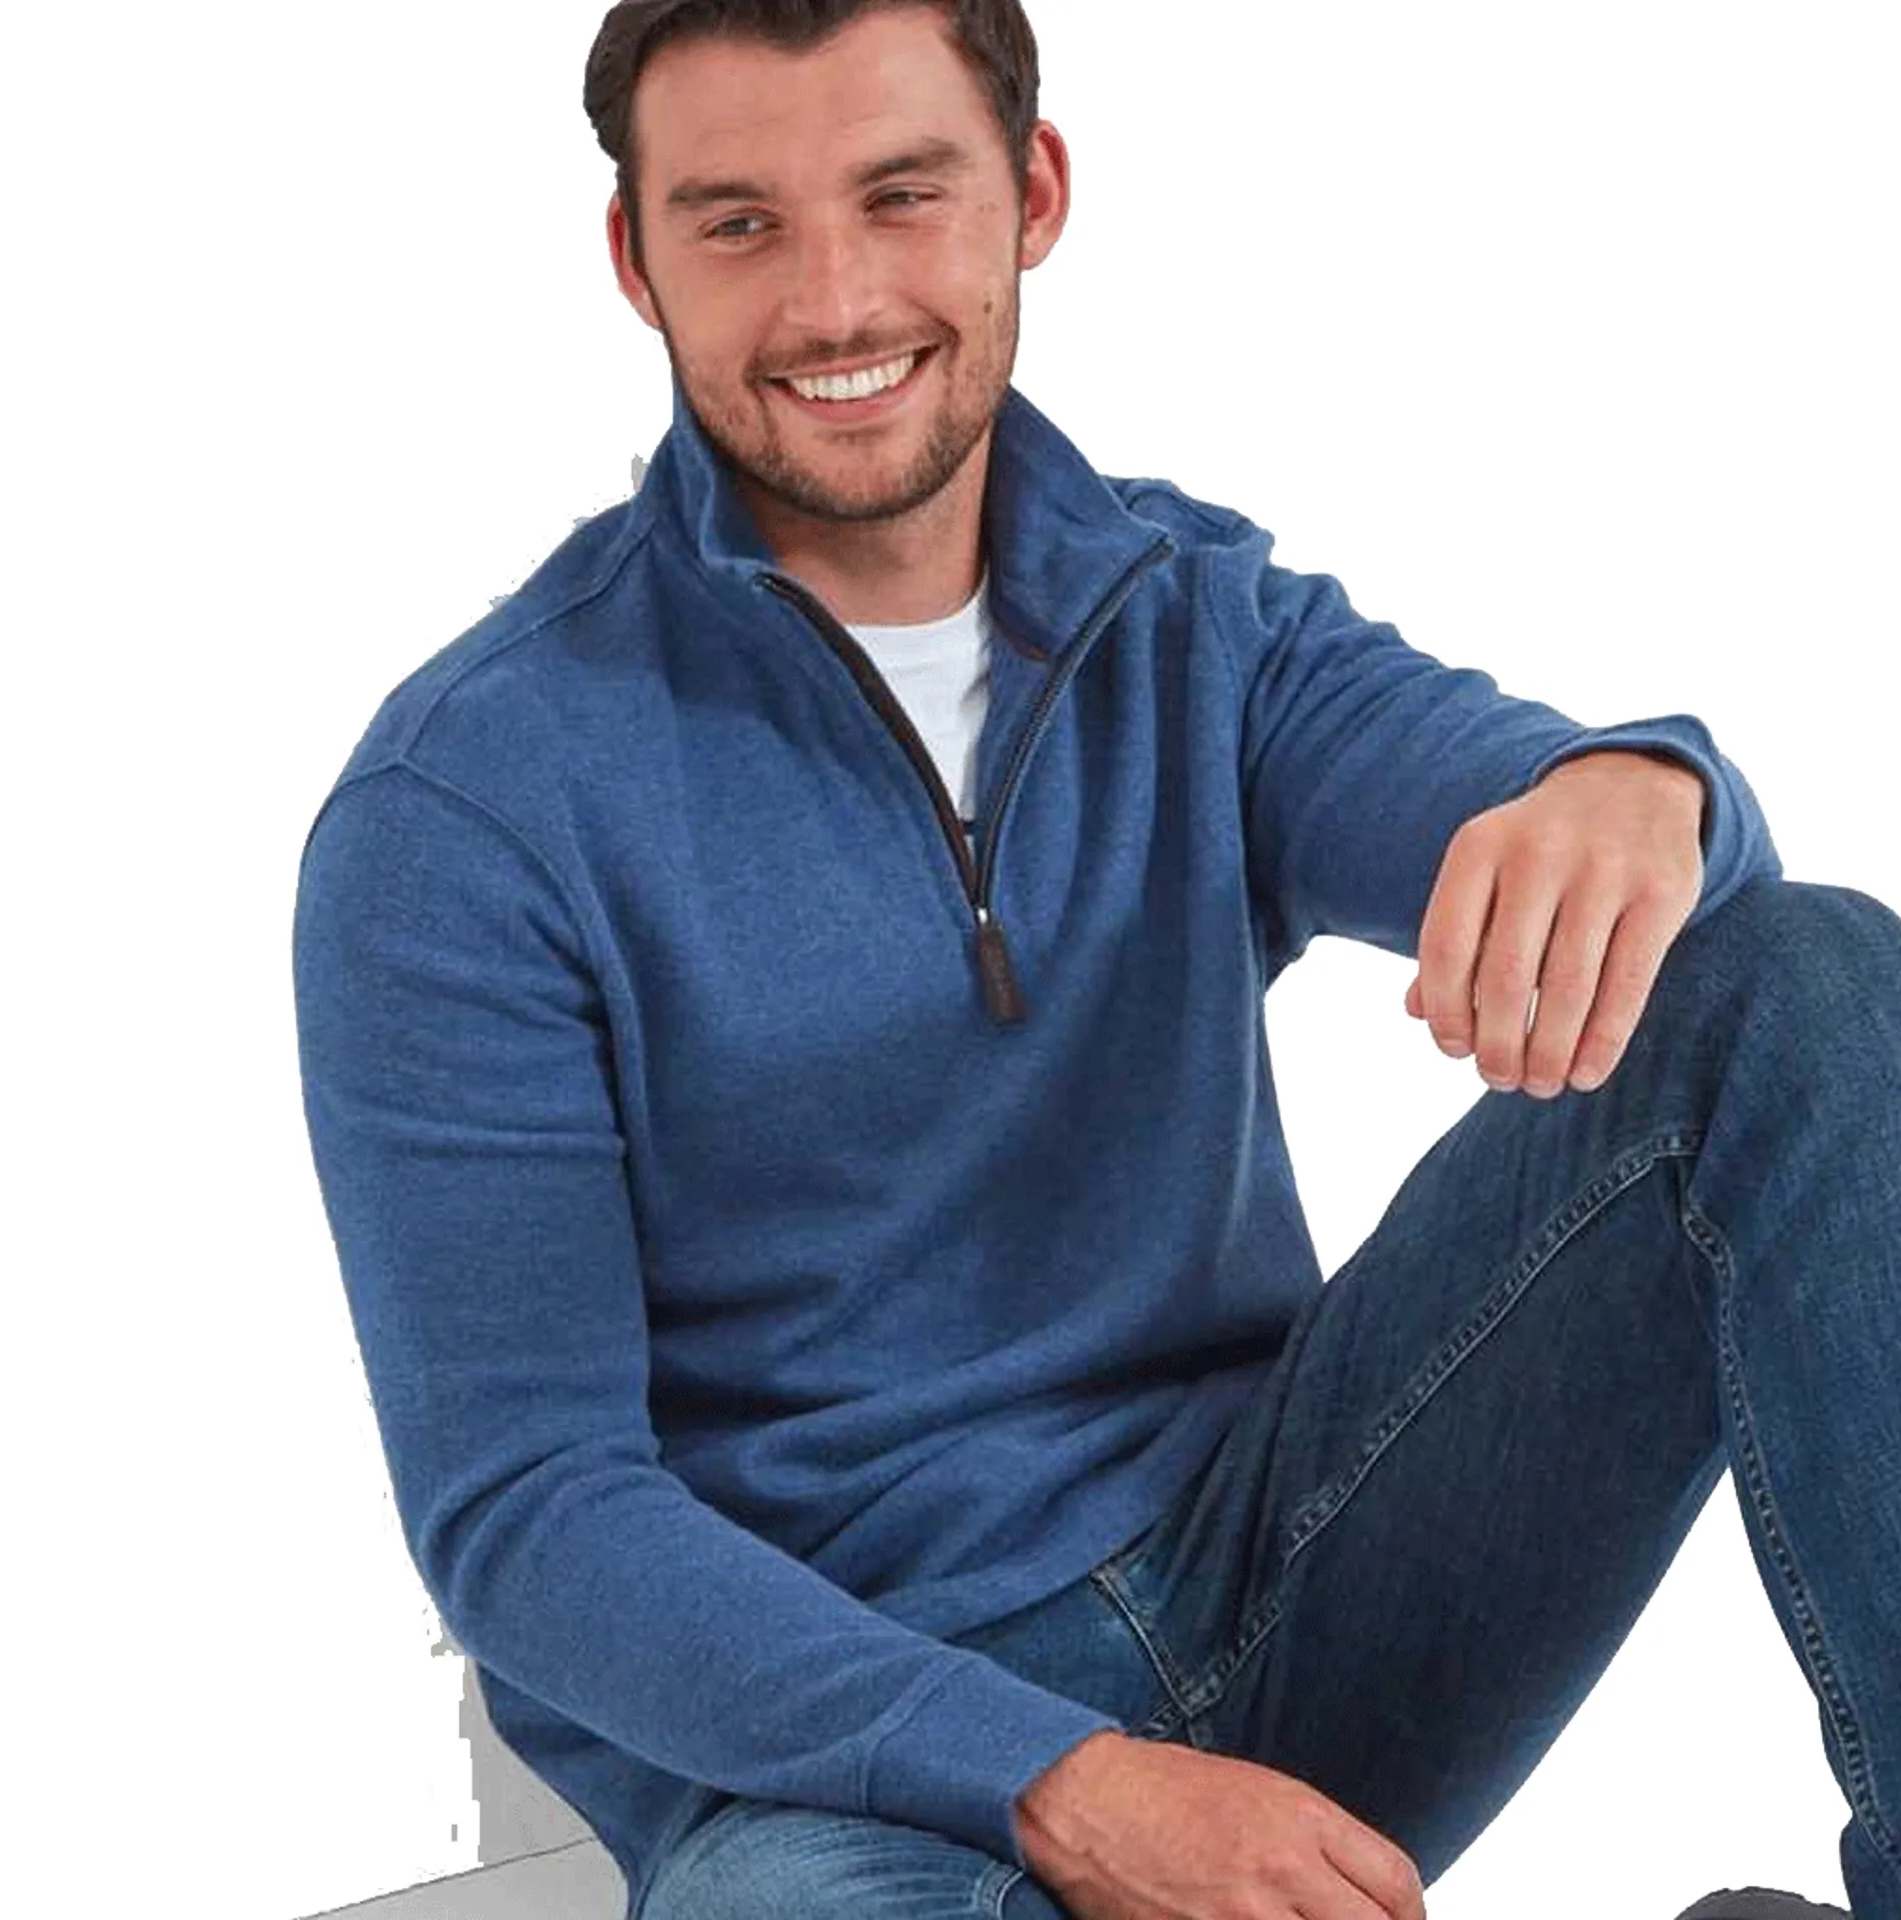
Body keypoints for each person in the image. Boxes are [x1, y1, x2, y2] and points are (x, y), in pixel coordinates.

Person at [289, 3, 1901, 1917]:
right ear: (635, 259)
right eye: (738, 223)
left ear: (1031, 194)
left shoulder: (1191, 619)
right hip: (851, 1760)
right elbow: (528, 1514)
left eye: (903, 195)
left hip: (1298, 1559)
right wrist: (1052, 1777)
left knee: (1804, 980)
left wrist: (1644, 789)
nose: (833, 299)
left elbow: (1626, 886)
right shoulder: (462, 812)